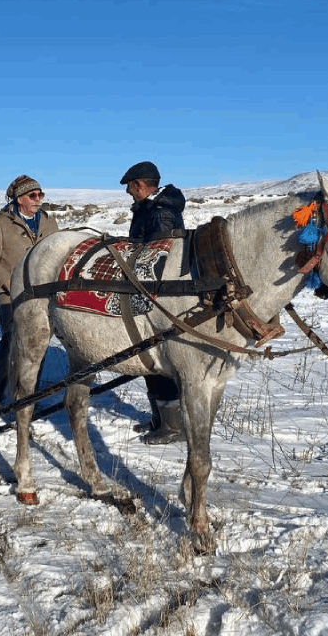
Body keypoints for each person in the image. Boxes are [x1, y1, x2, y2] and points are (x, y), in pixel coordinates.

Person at [120, 161, 186, 444]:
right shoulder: (151, 209)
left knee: (159, 361)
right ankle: (161, 419)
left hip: (157, 296)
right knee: (150, 360)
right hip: (150, 293)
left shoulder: (160, 213)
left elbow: (156, 256)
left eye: (130, 188)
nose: (128, 194)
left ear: (140, 185)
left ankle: (173, 426)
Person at [0, 174, 59, 404]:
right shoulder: (0, 224)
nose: (38, 199)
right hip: (13, 297)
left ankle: (27, 397)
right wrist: (9, 284)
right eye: (33, 195)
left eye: (40, 194)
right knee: (11, 343)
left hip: (44, 296)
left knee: (40, 343)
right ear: (19, 198)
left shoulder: (48, 222)